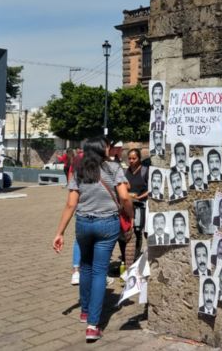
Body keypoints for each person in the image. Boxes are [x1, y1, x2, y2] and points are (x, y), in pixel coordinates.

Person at [52, 136, 133, 341]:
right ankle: (93, 325)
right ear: (102, 149)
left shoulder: (79, 170)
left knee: (86, 267)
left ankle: (85, 311)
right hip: (107, 224)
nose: (110, 149)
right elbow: (124, 197)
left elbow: (71, 204)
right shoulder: (113, 168)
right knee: (99, 271)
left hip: (83, 224)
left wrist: (59, 232)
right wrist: (130, 216)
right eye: (107, 146)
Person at [123, 149, 149, 262]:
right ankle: (128, 255)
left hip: (141, 204)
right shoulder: (125, 172)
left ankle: (136, 257)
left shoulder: (145, 171)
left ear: (139, 159)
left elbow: (151, 188)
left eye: (134, 158)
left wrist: (139, 197)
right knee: (127, 230)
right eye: (130, 158)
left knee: (138, 230)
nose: (131, 161)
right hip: (128, 204)